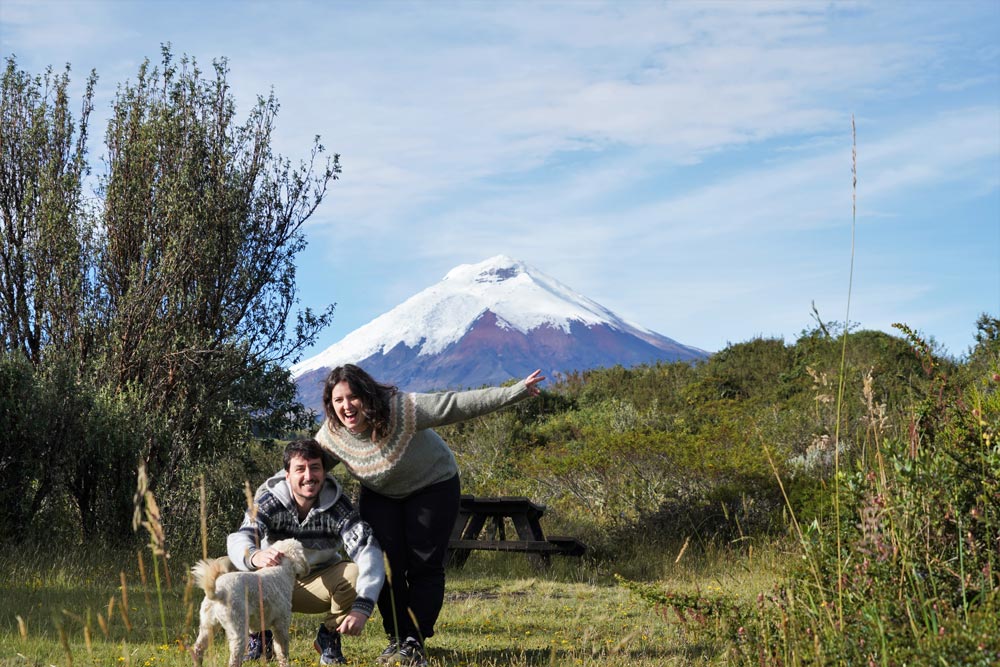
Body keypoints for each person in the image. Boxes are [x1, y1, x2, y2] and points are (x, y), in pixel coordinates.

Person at [315, 364, 545, 667]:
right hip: (381, 492)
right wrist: (266, 505)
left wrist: (514, 392)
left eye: (353, 397)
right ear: (330, 404)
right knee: (383, 564)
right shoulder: (332, 435)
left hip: (433, 484)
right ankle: (396, 638)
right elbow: (301, 467)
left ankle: (414, 640)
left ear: (368, 396)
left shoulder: (400, 409)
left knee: (424, 563)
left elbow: (453, 405)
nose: (347, 406)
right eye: (338, 400)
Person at [227, 438, 385, 665]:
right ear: (287, 474)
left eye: (315, 468)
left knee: (354, 573)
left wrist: (364, 605)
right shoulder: (270, 499)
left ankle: (328, 636)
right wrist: (255, 555)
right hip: (271, 584)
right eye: (300, 469)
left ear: (324, 471)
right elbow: (242, 535)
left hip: (315, 584)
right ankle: (259, 636)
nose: (309, 476)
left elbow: (367, 549)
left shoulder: (338, 506)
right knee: (227, 567)